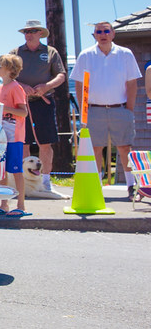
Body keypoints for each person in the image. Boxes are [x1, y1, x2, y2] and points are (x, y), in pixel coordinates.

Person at [69, 21, 142, 197]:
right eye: (98, 31)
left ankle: (132, 187)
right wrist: (83, 111)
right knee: (95, 148)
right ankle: (96, 189)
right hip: (94, 110)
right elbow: (79, 84)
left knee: (125, 148)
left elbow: (132, 83)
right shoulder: (86, 55)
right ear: (95, 35)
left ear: (113, 33)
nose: (102, 34)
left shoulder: (125, 54)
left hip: (120, 108)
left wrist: (129, 109)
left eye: (106, 31)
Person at [11, 18, 66, 194]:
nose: (28, 34)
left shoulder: (50, 52)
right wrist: (22, 86)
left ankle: (46, 181)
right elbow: (6, 74)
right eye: (26, 31)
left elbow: (61, 75)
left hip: (44, 102)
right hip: (21, 103)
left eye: (32, 31)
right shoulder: (16, 52)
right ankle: (27, 182)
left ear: (40, 33)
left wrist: (47, 86)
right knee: (23, 142)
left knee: (45, 142)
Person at [0, 54, 30, 217]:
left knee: (16, 170)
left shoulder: (15, 87)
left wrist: (7, 109)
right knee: (1, 170)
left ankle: (21, 205)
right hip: (1, 136)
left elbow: (23, 112)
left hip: (14, 136)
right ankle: (4, 204)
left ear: (9, 69)